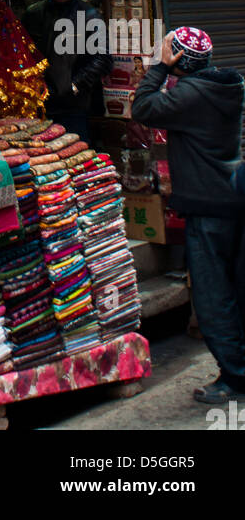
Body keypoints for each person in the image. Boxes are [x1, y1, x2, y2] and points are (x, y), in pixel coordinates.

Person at [132, 27, 245, 406]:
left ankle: (235, 375)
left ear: (179, 59)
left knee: (213, 296)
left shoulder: (190, 95)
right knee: (236, 288)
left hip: (207, 206)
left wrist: (160, 68)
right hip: (232, 196)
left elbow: (142, 108)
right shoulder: (229, 85)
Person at [22, 0, 110, 140]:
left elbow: (103, 59)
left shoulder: (90, 16)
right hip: (41, 104)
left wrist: (75, 86)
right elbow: (23, 55)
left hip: (77, 107)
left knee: (76, 152)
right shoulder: (33, 15)